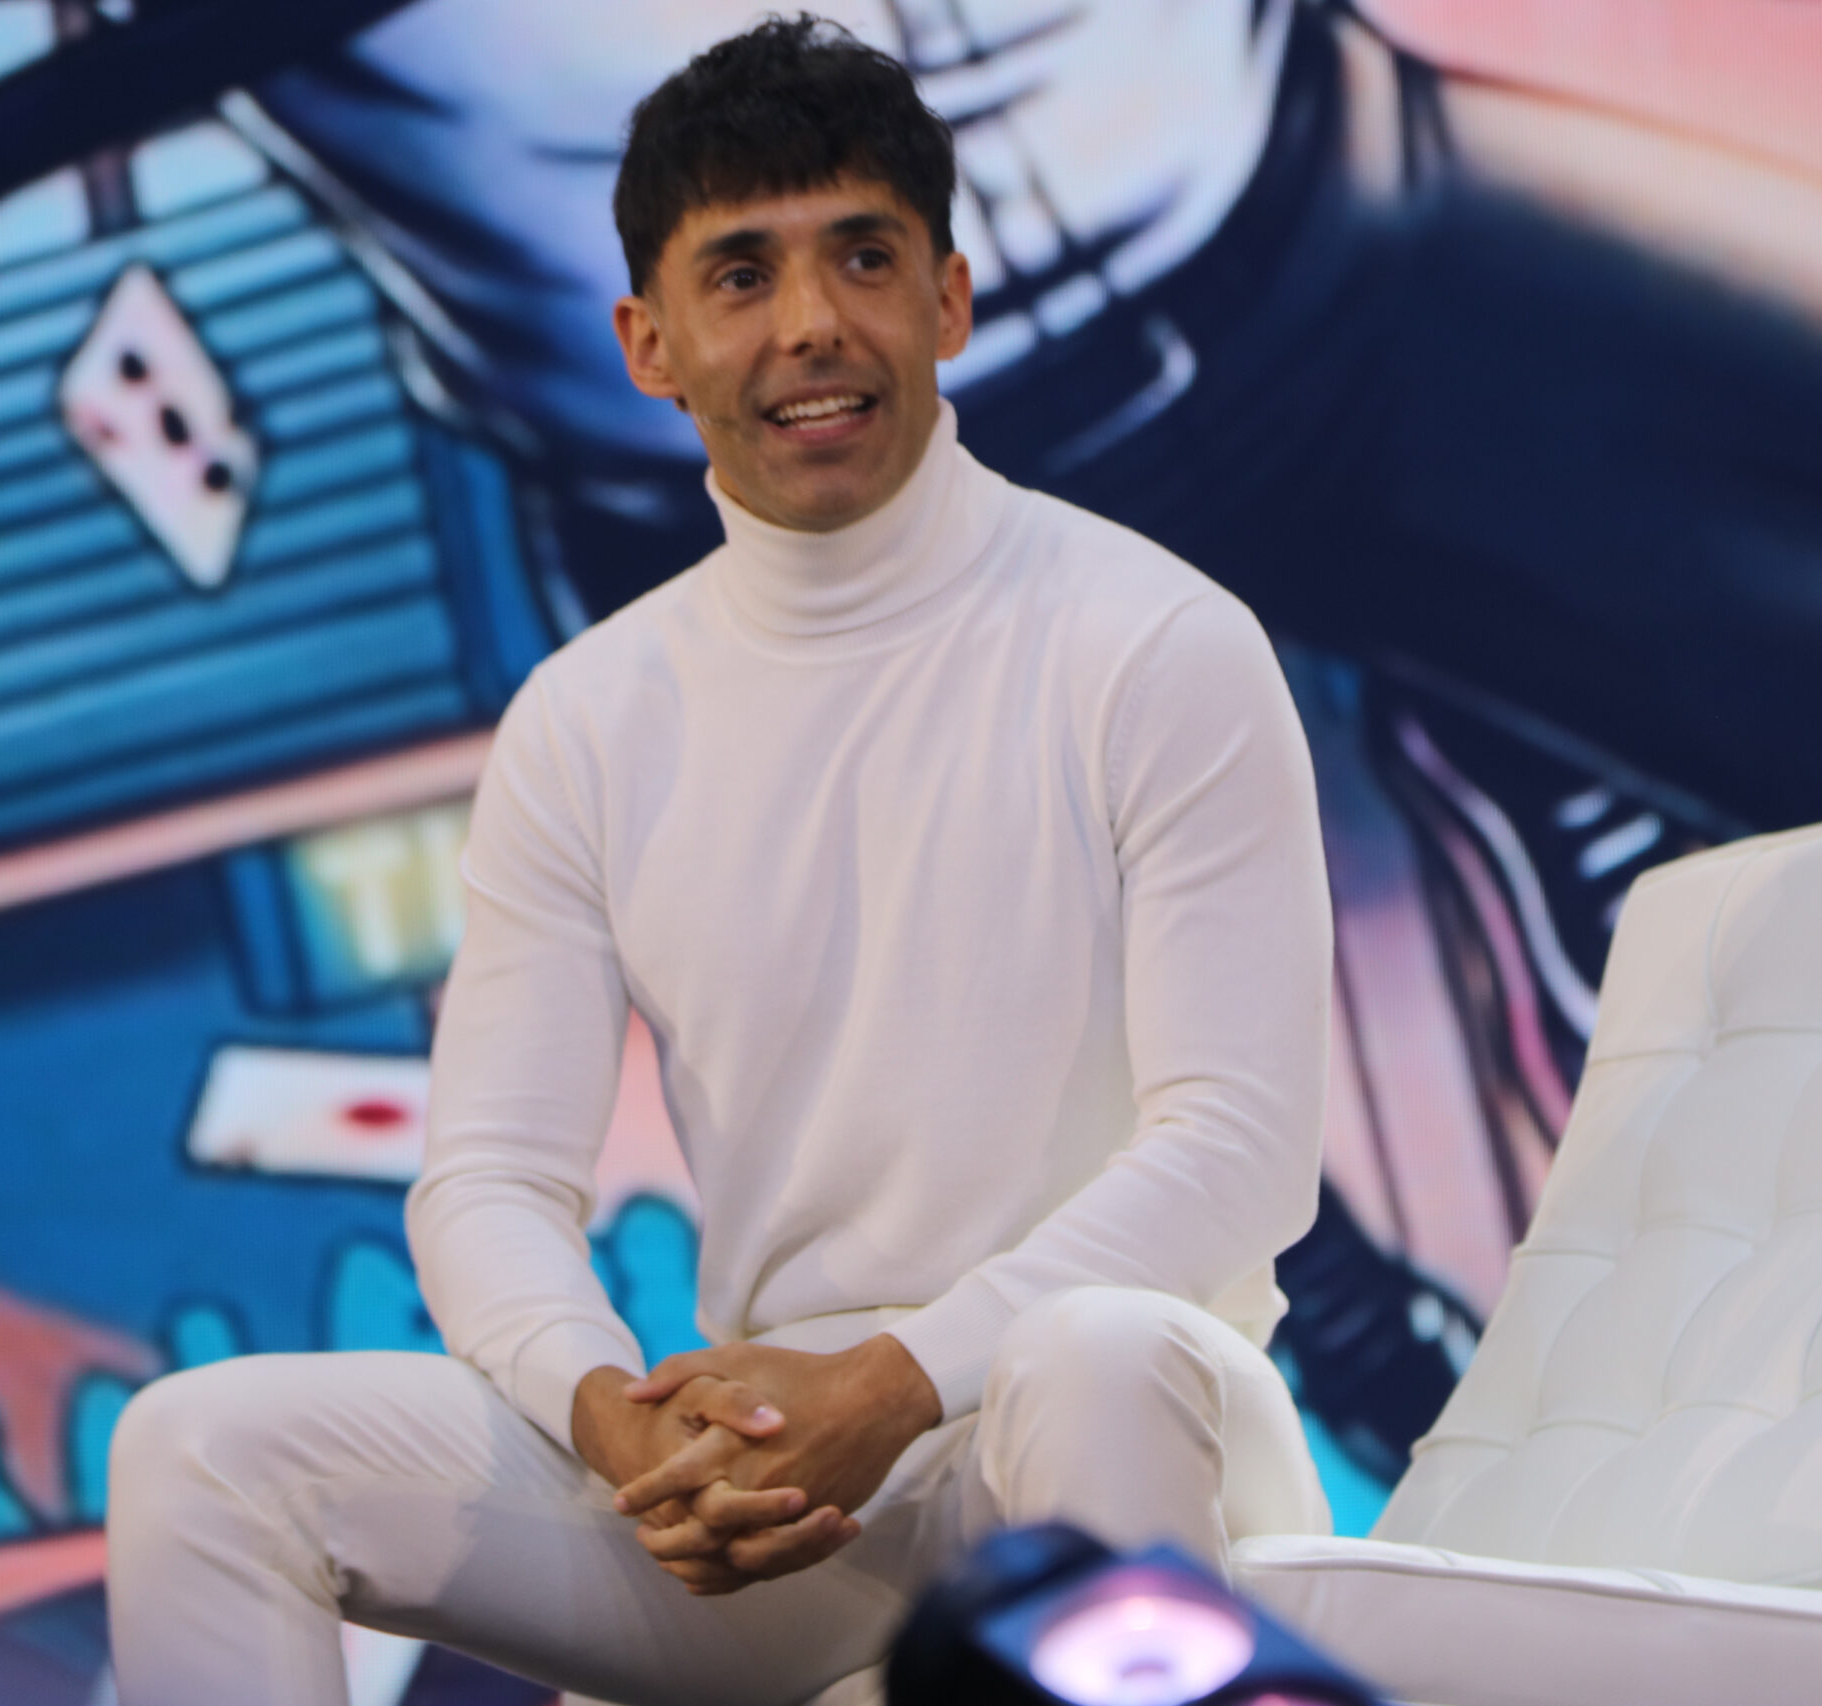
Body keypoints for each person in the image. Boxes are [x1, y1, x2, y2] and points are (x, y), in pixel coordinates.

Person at [105, 19, 1335, 1706]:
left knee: (1094, 1350)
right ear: (649, 343)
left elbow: (1241, 1151)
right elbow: (486, 1184)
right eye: (742, 274)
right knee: (200, 1446)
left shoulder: (1158, 642)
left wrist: (895, 1382)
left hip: (1110, 1424)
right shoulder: (586, 717)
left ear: (950, 300)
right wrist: (613, 1419)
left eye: (865, 258)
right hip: (776, 1479)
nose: (811, 323)